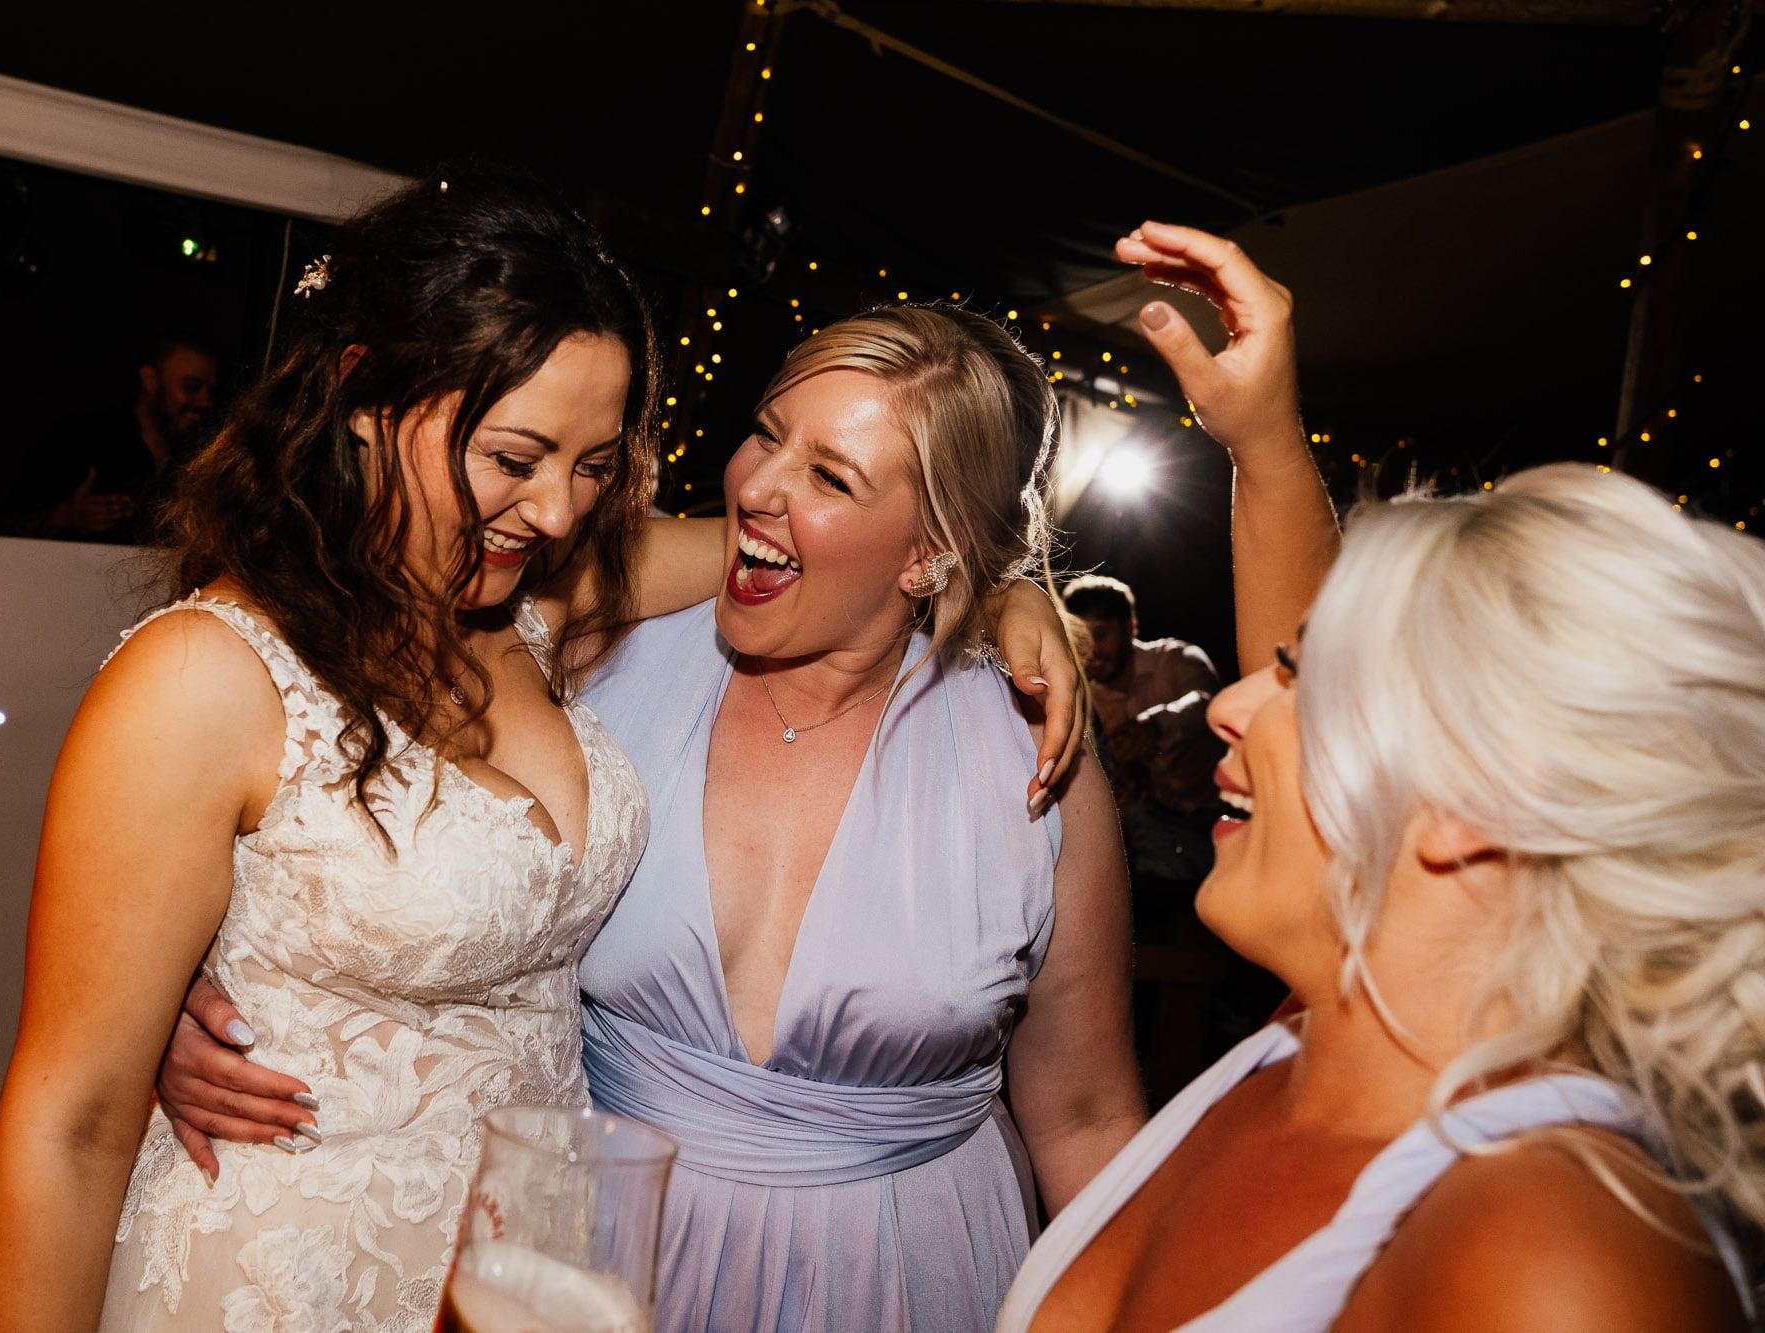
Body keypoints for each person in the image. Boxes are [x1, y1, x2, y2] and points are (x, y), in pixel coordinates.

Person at [161, 220, 1342, 1331]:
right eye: (767, 433)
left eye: (830, 476)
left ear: (930, 551)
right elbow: (340, 811)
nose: (760, 486)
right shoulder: (586, 657)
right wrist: (189, 982)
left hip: (905, 1274)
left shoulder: (1032, 751)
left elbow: (1082, 1115)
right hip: (599, 1256)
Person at [0, 169, 1089, 1332]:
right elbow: (70, 1124)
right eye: (514, 458)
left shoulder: (545, 604)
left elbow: (814, 549)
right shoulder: (204, 676)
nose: (559, 511)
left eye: (593, 465)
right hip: (281, 1270)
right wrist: (159, 1012)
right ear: (363, 391)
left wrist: (1005, 595)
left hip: (529, 1276)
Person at [997, 485, 1764, 1321]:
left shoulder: (1558, 1255)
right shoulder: (1307, 1054)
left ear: (1474, 797)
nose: (1229, 704)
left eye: (1304, 673)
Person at [1062, 573, 1223, 897]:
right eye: (1080, 638)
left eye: (1100, 635)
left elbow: (1209, 704)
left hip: (1221, 817)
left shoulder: (1175, 659)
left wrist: (1155, 725)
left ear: (1130, 628)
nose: (1091, 650)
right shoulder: (1082, 698)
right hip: (1156, 835)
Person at [2, 332, 219, 542]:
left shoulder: (205, 459)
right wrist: (63, 516)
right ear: (151, 380)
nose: (205, 401)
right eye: (192, 387)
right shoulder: (83, 440)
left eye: (211, 391)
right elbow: (8, 526)